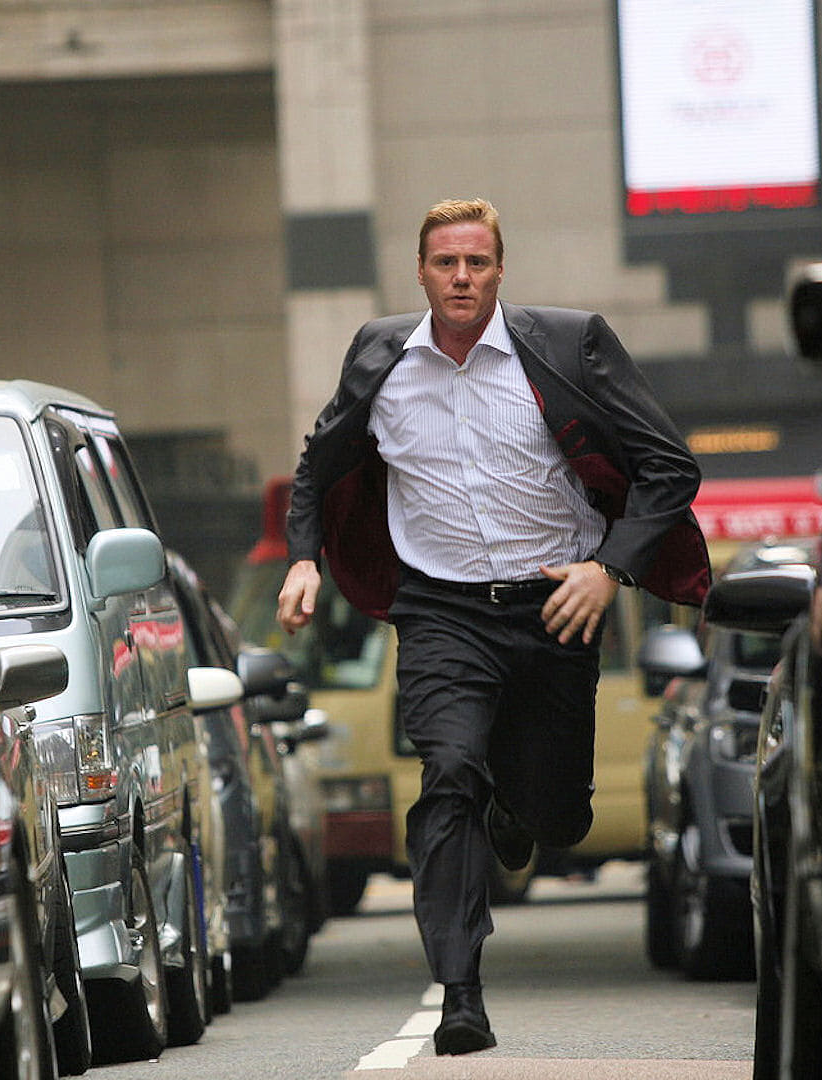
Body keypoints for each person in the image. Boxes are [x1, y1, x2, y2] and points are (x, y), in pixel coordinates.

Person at [275, 198, 710, 1055]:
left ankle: (520, 809)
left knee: (558, 818)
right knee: (448, 774)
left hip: (556, 605)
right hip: (440, 610)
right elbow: (317, 464)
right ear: (421, 273)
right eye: (446, 263)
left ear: (501, 270)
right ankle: (460, 992)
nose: (462, 277)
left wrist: (609, 569)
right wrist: (302, 559)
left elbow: (669, 465)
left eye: (477, 262)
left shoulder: (570, 345)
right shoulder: (380, 357)